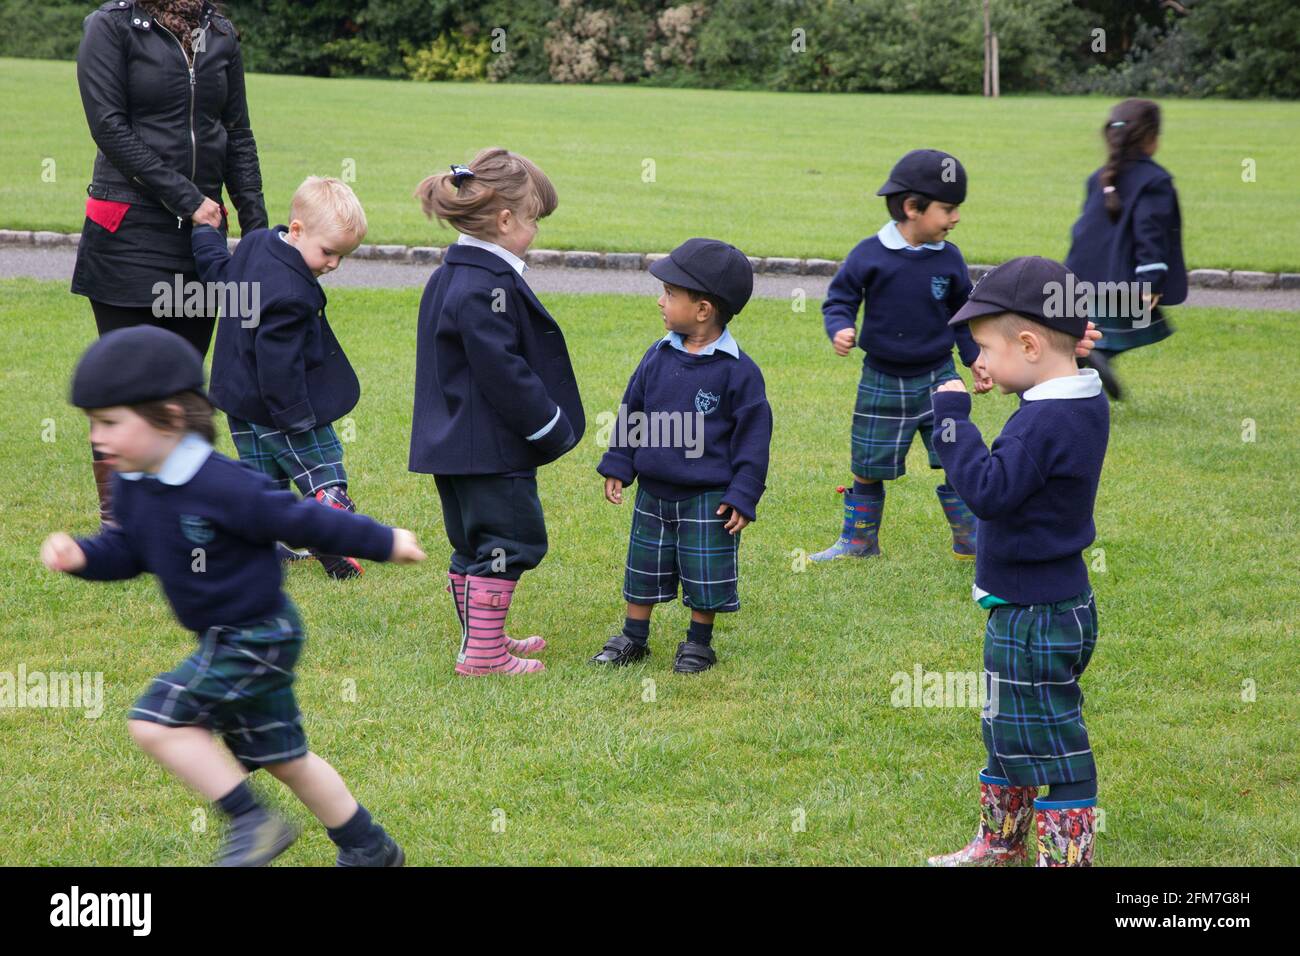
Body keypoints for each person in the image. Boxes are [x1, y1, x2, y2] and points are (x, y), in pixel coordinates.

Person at [41, 326, 426, 865]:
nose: (97, 438)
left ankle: (252, 820)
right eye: (92, 424)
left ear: (170, 418)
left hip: (257, 636)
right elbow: (128, 551)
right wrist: (83, 557)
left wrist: (384, 540)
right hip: (232, 637)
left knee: (154, 720)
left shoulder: (225, 485)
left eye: (109, 423)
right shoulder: (134, 484)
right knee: (285, 758)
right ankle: (368, 846)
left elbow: (304, 519)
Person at [926, 257, 1108, 868]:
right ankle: (1000, 843)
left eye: (984, 349)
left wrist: (952, 425)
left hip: (1035, 616)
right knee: (1008, 729)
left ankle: (1065, 860)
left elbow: (988, 491)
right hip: (1050, 605)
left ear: (1029, 344)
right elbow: (1051, 365)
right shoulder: (1080, 397)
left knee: (1057, 748)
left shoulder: (1038, 426)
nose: (977, 362)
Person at [73, 0, 267, 525]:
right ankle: (122, 523)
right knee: (125, 382)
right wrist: (187, 198)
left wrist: (258, 234)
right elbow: (110, 128)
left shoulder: (220, 32)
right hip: (129, 232)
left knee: (183, 384)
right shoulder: (110, 27)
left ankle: (182, 515)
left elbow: (238, 136)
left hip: (198, 240)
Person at [409, 148, 583, 676]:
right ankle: (483, 657)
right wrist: (548, 424)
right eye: (533, 220)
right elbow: (503, 373)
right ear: (506, 220)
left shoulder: (451, 274)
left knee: (473, 544)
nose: (535, 231)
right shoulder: (486, 286)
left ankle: (482, 640)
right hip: (490, 448)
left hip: (453, 444)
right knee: (512, 540)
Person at [592, 239, 772, 674]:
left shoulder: (739, 372)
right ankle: (634, 637)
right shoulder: (657, 356)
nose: (660, 300)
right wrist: (619, 461)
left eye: (671, 294)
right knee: (643, 568)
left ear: (704, 310)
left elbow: (753, 440)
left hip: (708, 498)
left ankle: (698, 642)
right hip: (653, 492)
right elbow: (632, 408)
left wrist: (743, 494)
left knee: (703, 572)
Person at [193, 176, 371, 579]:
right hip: (281, 404)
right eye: (328, 253)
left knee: (262, 479)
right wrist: (296, 418)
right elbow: (279, 364)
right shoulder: (291, 292)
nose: (333, 265)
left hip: (238, 400)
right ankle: (328, 528)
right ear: (296, 230)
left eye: (343, 257)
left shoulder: (257, 244)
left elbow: (220, 280)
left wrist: (206, 235)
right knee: (321, 467)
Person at [1066, 98, 1186, 400]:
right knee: (1136, 321)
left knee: (1101, 322)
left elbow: (1085, 227)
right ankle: (1096, 356)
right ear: (1151, 138)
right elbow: (1151, 230)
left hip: (1083, 272)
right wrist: (1150, 279)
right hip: (1121, 276)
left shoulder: (1100, 177)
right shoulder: (1155, 180)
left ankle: (1088, 358)